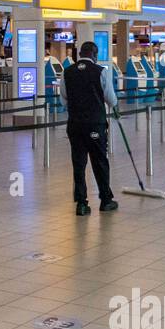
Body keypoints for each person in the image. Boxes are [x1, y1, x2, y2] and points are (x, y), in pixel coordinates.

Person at [61, 41, 117, 215]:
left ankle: (82, 203)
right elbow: (111, 99)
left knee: (79, 163)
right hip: (95, 124)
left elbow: (64, 100)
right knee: (99, 161)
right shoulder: (101, 72)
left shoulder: (67, 72)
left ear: (79, 54)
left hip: (75, 125)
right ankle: (105, 200)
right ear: (95, 54)